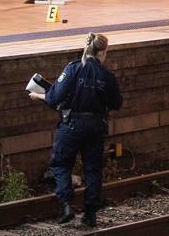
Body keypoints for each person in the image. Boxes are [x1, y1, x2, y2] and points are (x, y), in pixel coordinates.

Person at [29, 33, 122, 227]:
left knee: (60, 164)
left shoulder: (73, 69)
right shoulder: (108, 76)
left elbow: (54, 98)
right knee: (93, 170)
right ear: (103, 52)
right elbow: (116, 103)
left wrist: (38, 96)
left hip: (71, 125)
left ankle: (66, 206)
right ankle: (90, 215)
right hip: (96, 127)